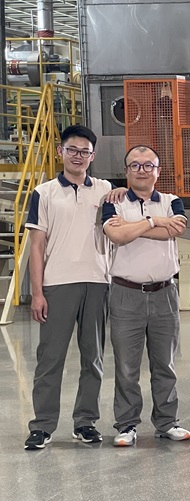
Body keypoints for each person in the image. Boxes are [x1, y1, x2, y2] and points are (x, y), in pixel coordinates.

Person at [23, 125, 114, 450]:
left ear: (93, 155)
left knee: (93, 358)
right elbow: (36, 247)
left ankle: (85, 422)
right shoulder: (44, 192)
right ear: (61, 152)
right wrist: (37, 293)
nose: (78, 156)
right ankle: (42, 426)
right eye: (72, 150)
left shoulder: (105, 189)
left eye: (84, 151)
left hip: (97, 282)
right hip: (58, 284)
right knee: (50, 358)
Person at [101, 145, 190, 446]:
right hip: (126, 293)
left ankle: (167, 422)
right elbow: (117, 235)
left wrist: (134, 228)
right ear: (126, 171)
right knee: (126, 366)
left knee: (165, 364)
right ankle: (127, 424)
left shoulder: (171, 201)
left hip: (164, 292)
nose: (142, 170)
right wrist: (154, 221)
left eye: (148, 165)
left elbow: (176, 229)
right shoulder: (113, 202)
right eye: (135, 165)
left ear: (158, 171)